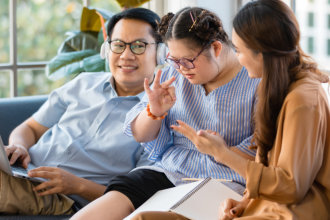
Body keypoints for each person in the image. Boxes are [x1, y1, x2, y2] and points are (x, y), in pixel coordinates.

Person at [131, 0, 330, 219]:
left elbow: (290, 187)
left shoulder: (302, 99)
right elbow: (269, 171)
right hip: (262, 205)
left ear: (263, 52)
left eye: (239, 50)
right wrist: (243, 202)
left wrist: (221, 153)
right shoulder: (278, 89)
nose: (237, 59)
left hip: (288, 212)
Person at [71, 7, 260, 220]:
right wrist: (154, 111)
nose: (180, 69)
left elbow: (265, 153)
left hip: (224, 184)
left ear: (216, 48)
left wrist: (220, 150)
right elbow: (140, 135)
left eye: (187, 61)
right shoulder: (173, 72)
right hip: (166, 173)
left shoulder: (256, 80)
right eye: (173, 59)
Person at [1, 7, 163, 215]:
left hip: (61, 198)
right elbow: (30, 128)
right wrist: (18, 146)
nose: (126, 55)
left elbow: (135, 197)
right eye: (119, 45)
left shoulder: (155, 119)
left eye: (139, 46)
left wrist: (76, 185)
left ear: (160, 53)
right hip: (20, 173)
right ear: (107, 48)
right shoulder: (83, 83)